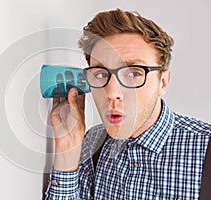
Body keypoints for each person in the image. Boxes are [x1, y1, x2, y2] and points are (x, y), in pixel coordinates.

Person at [45, 9, 211, 199]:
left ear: (162, 82)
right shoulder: (92, 142)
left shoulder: (205, 150)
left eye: (133, 73)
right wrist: (68, 149)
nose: (112, 93)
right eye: (100, 74)